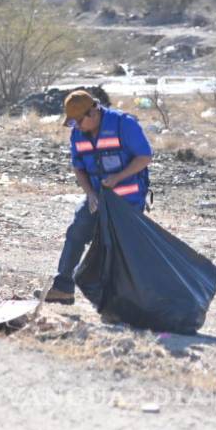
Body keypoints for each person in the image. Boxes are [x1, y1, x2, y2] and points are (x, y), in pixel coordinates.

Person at [45, 90, 153, 304]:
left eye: (78, 121)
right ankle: (63, 288)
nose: (76, 126)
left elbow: (145, 157)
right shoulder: (77, 134)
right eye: (73, 123)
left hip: (127, 201)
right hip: (97, 197)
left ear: (93, 112)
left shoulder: (124, 125)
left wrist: (118, 177)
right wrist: (90, 194)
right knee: (77, 230)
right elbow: (79, 168)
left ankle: (125, 299)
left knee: (119, 247)